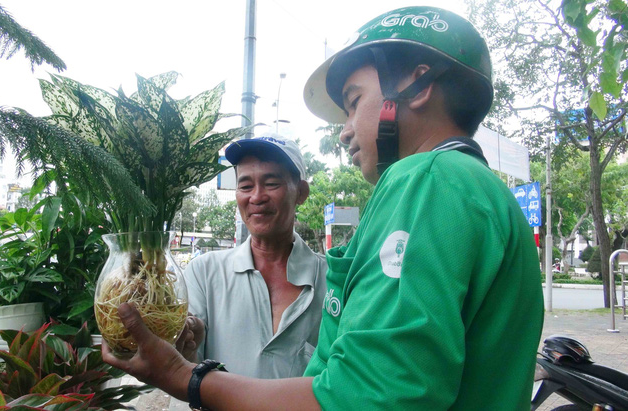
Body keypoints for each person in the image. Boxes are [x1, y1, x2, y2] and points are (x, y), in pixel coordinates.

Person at [103, 6, 544, 410]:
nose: (345, 132)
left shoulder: (425, 180)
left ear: (419, 84)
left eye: (353, 103)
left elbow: (366, 395)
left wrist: (184, 378)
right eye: (244, 185)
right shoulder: (484, 191)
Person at [175, 135, 328, 379]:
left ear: (301, 192)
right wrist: (185, 343)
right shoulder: (204, 272)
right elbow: (186, 369)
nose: (256, 197)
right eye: (245, 186)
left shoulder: (332, 280)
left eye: (271, 183)